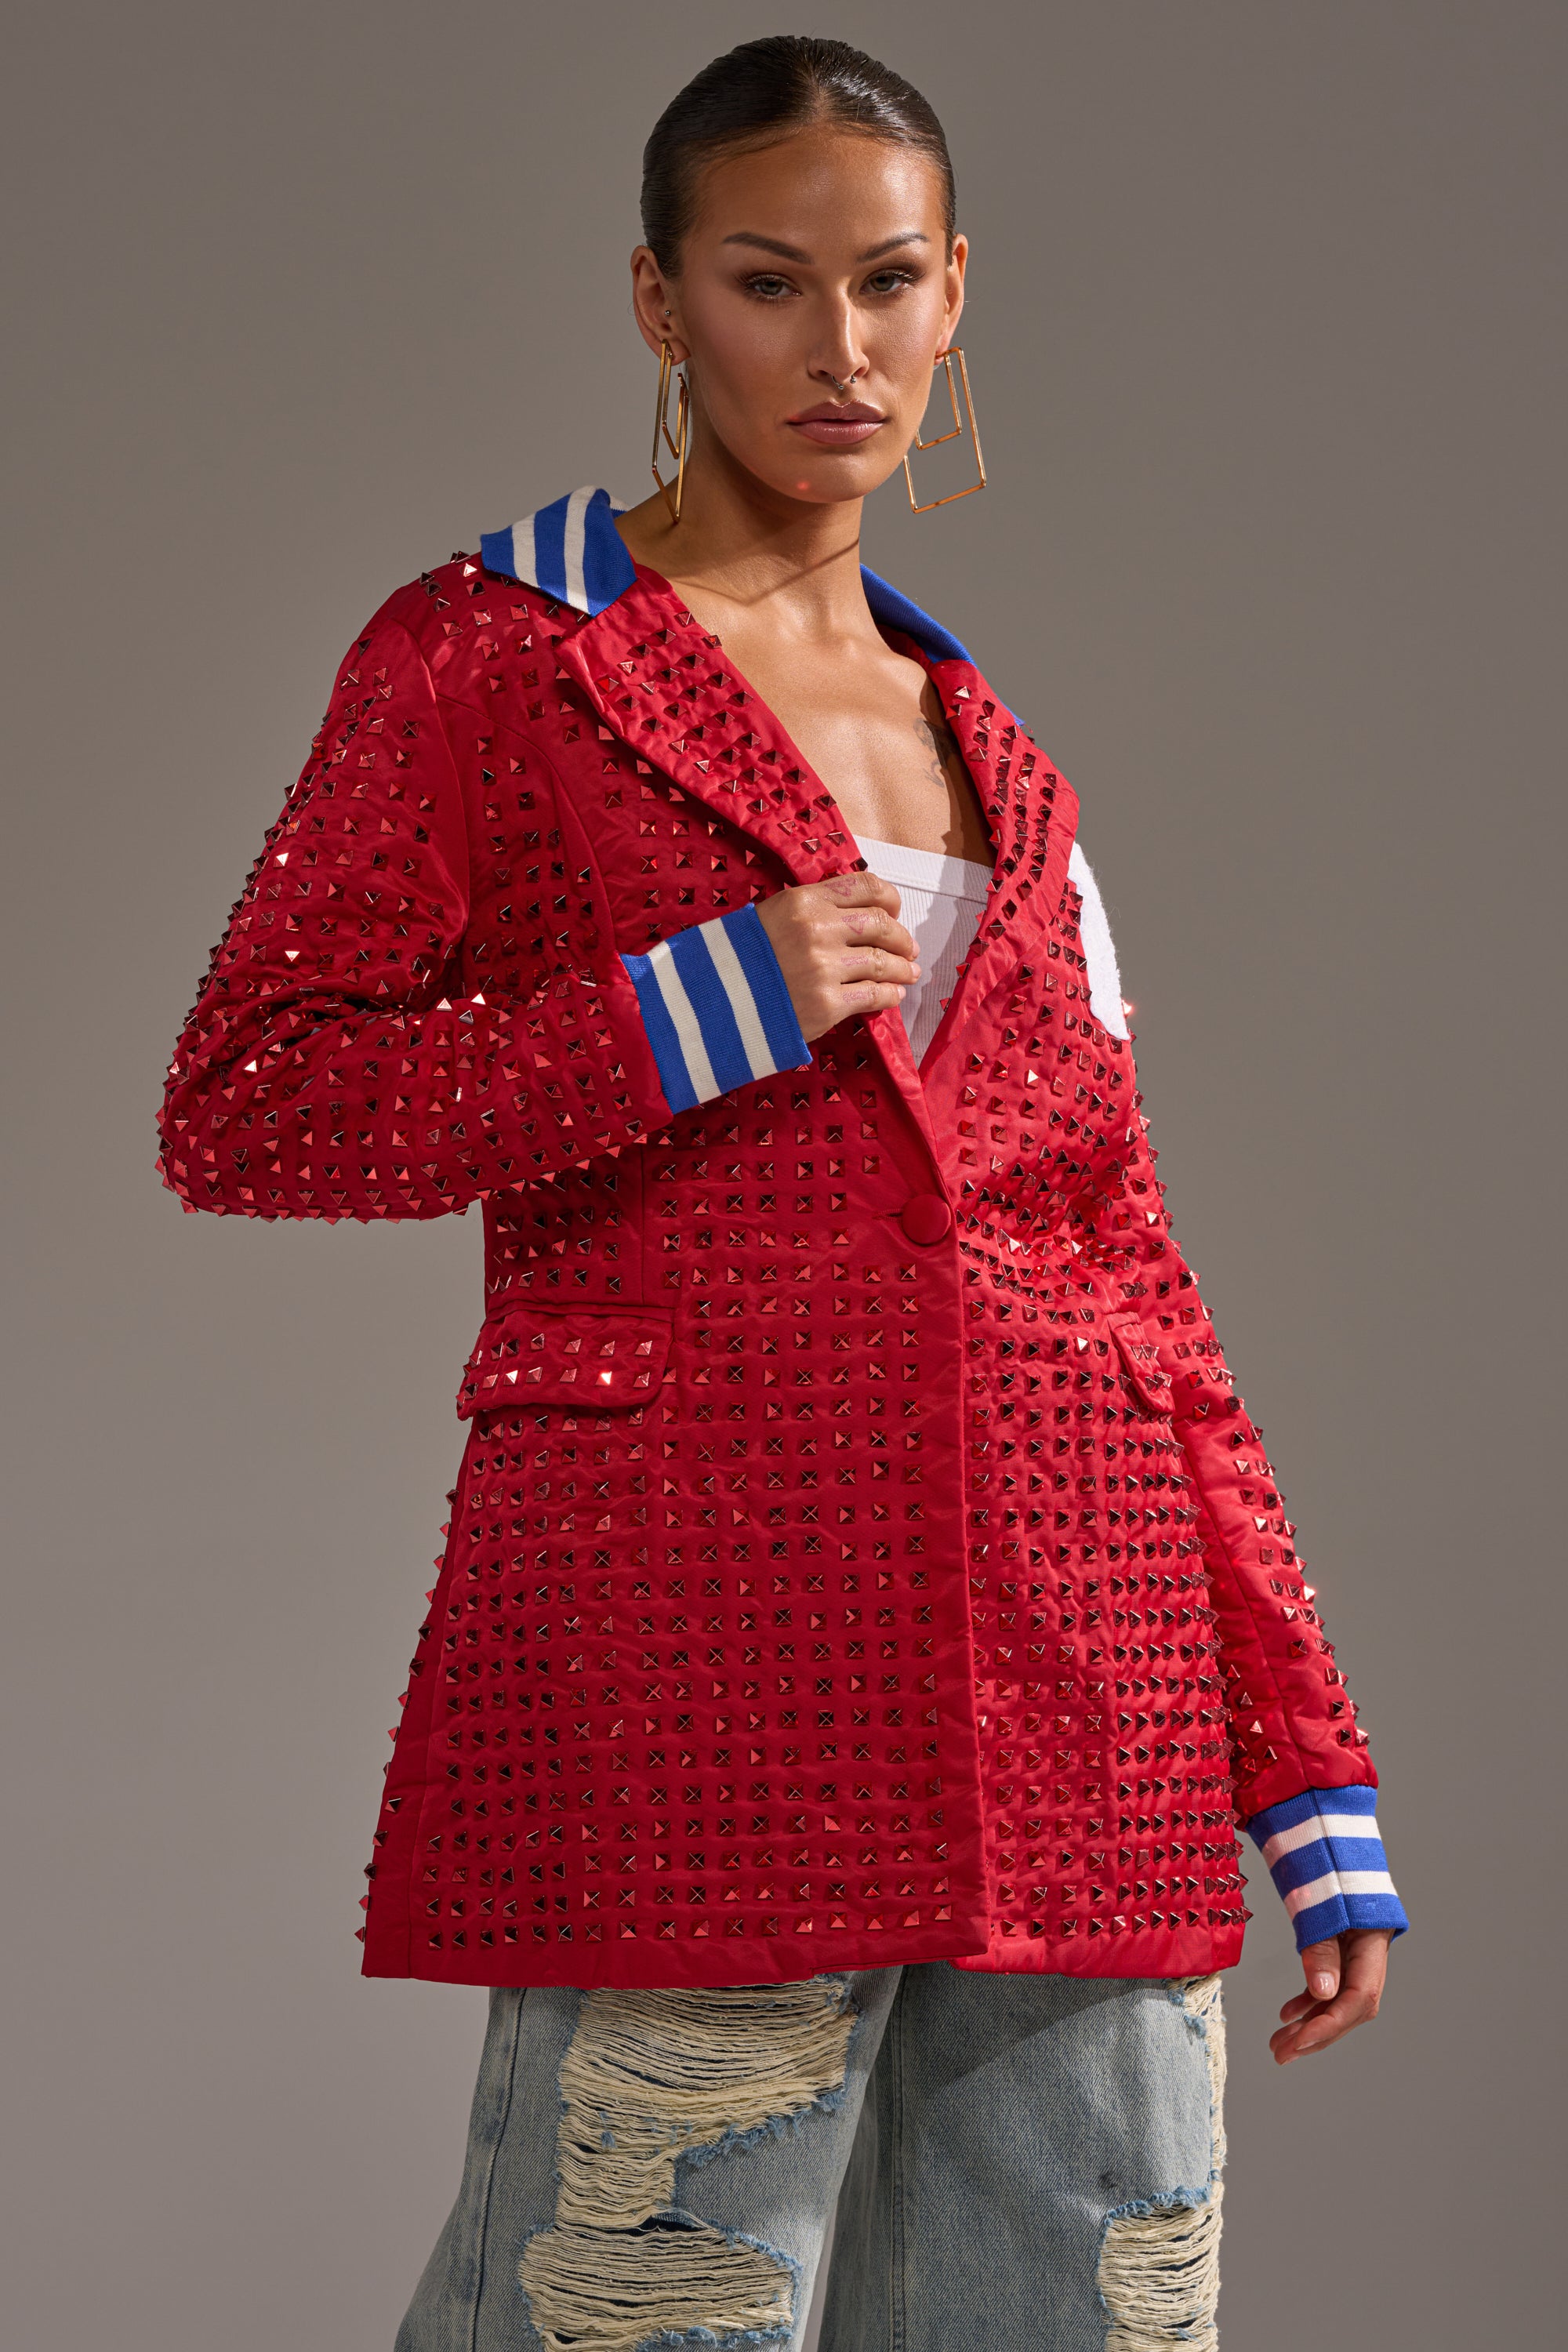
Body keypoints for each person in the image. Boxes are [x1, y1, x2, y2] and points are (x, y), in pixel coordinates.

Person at [157, 34, 1406, 2352]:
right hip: (692, 1678)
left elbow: (1132, 1280)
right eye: (768, 282)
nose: (839, 350)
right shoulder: (493, 661)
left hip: (1088, 1704)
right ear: (657, 303)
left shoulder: (1000, 756)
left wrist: (1304, 1762)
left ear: (958, 304)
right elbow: (246, 1105)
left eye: (889, 285)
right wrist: (677, 1014)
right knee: (641, 2313)